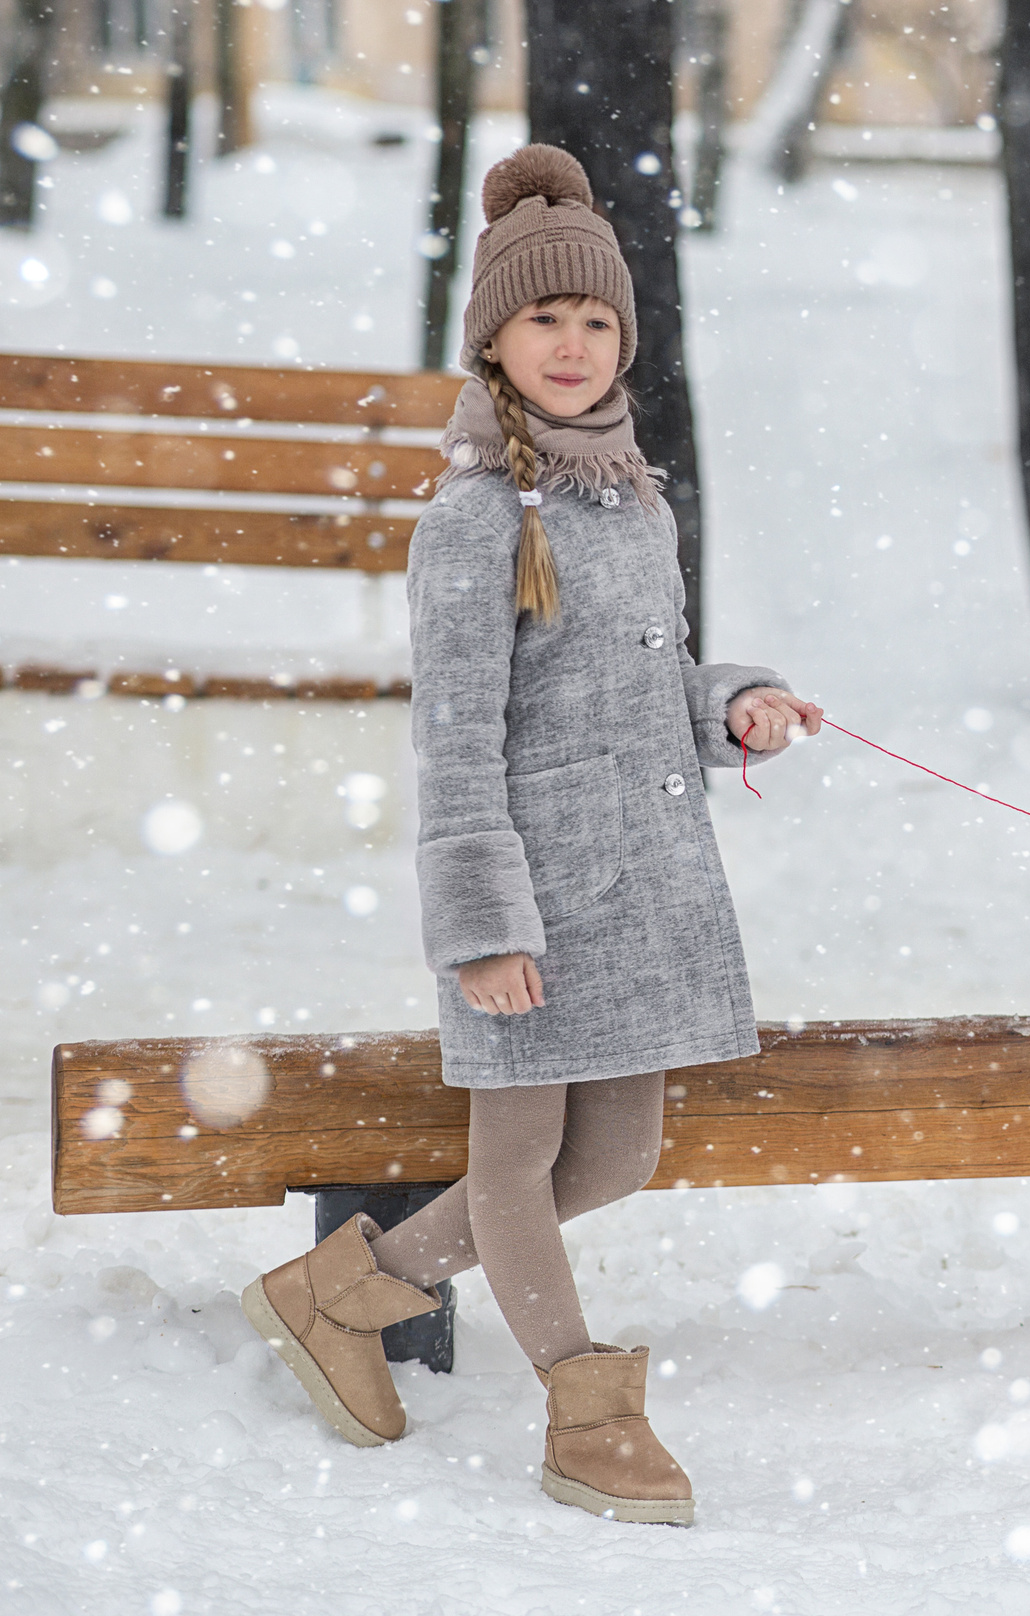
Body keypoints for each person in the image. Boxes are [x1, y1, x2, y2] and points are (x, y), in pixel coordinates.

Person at [239, 144, 819, 1528]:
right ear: (494, 336)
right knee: (515, 1163)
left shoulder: (630, 496)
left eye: (598, 320)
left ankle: (337, 1296)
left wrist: (734, 703)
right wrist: (485, 924)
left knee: (615, 1158)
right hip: (525, 902)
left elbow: (627, 692)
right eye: (545, 319)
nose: (573, 344)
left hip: (636, 893)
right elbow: (457, 735)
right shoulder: (474, 516)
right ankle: (586, 1410)